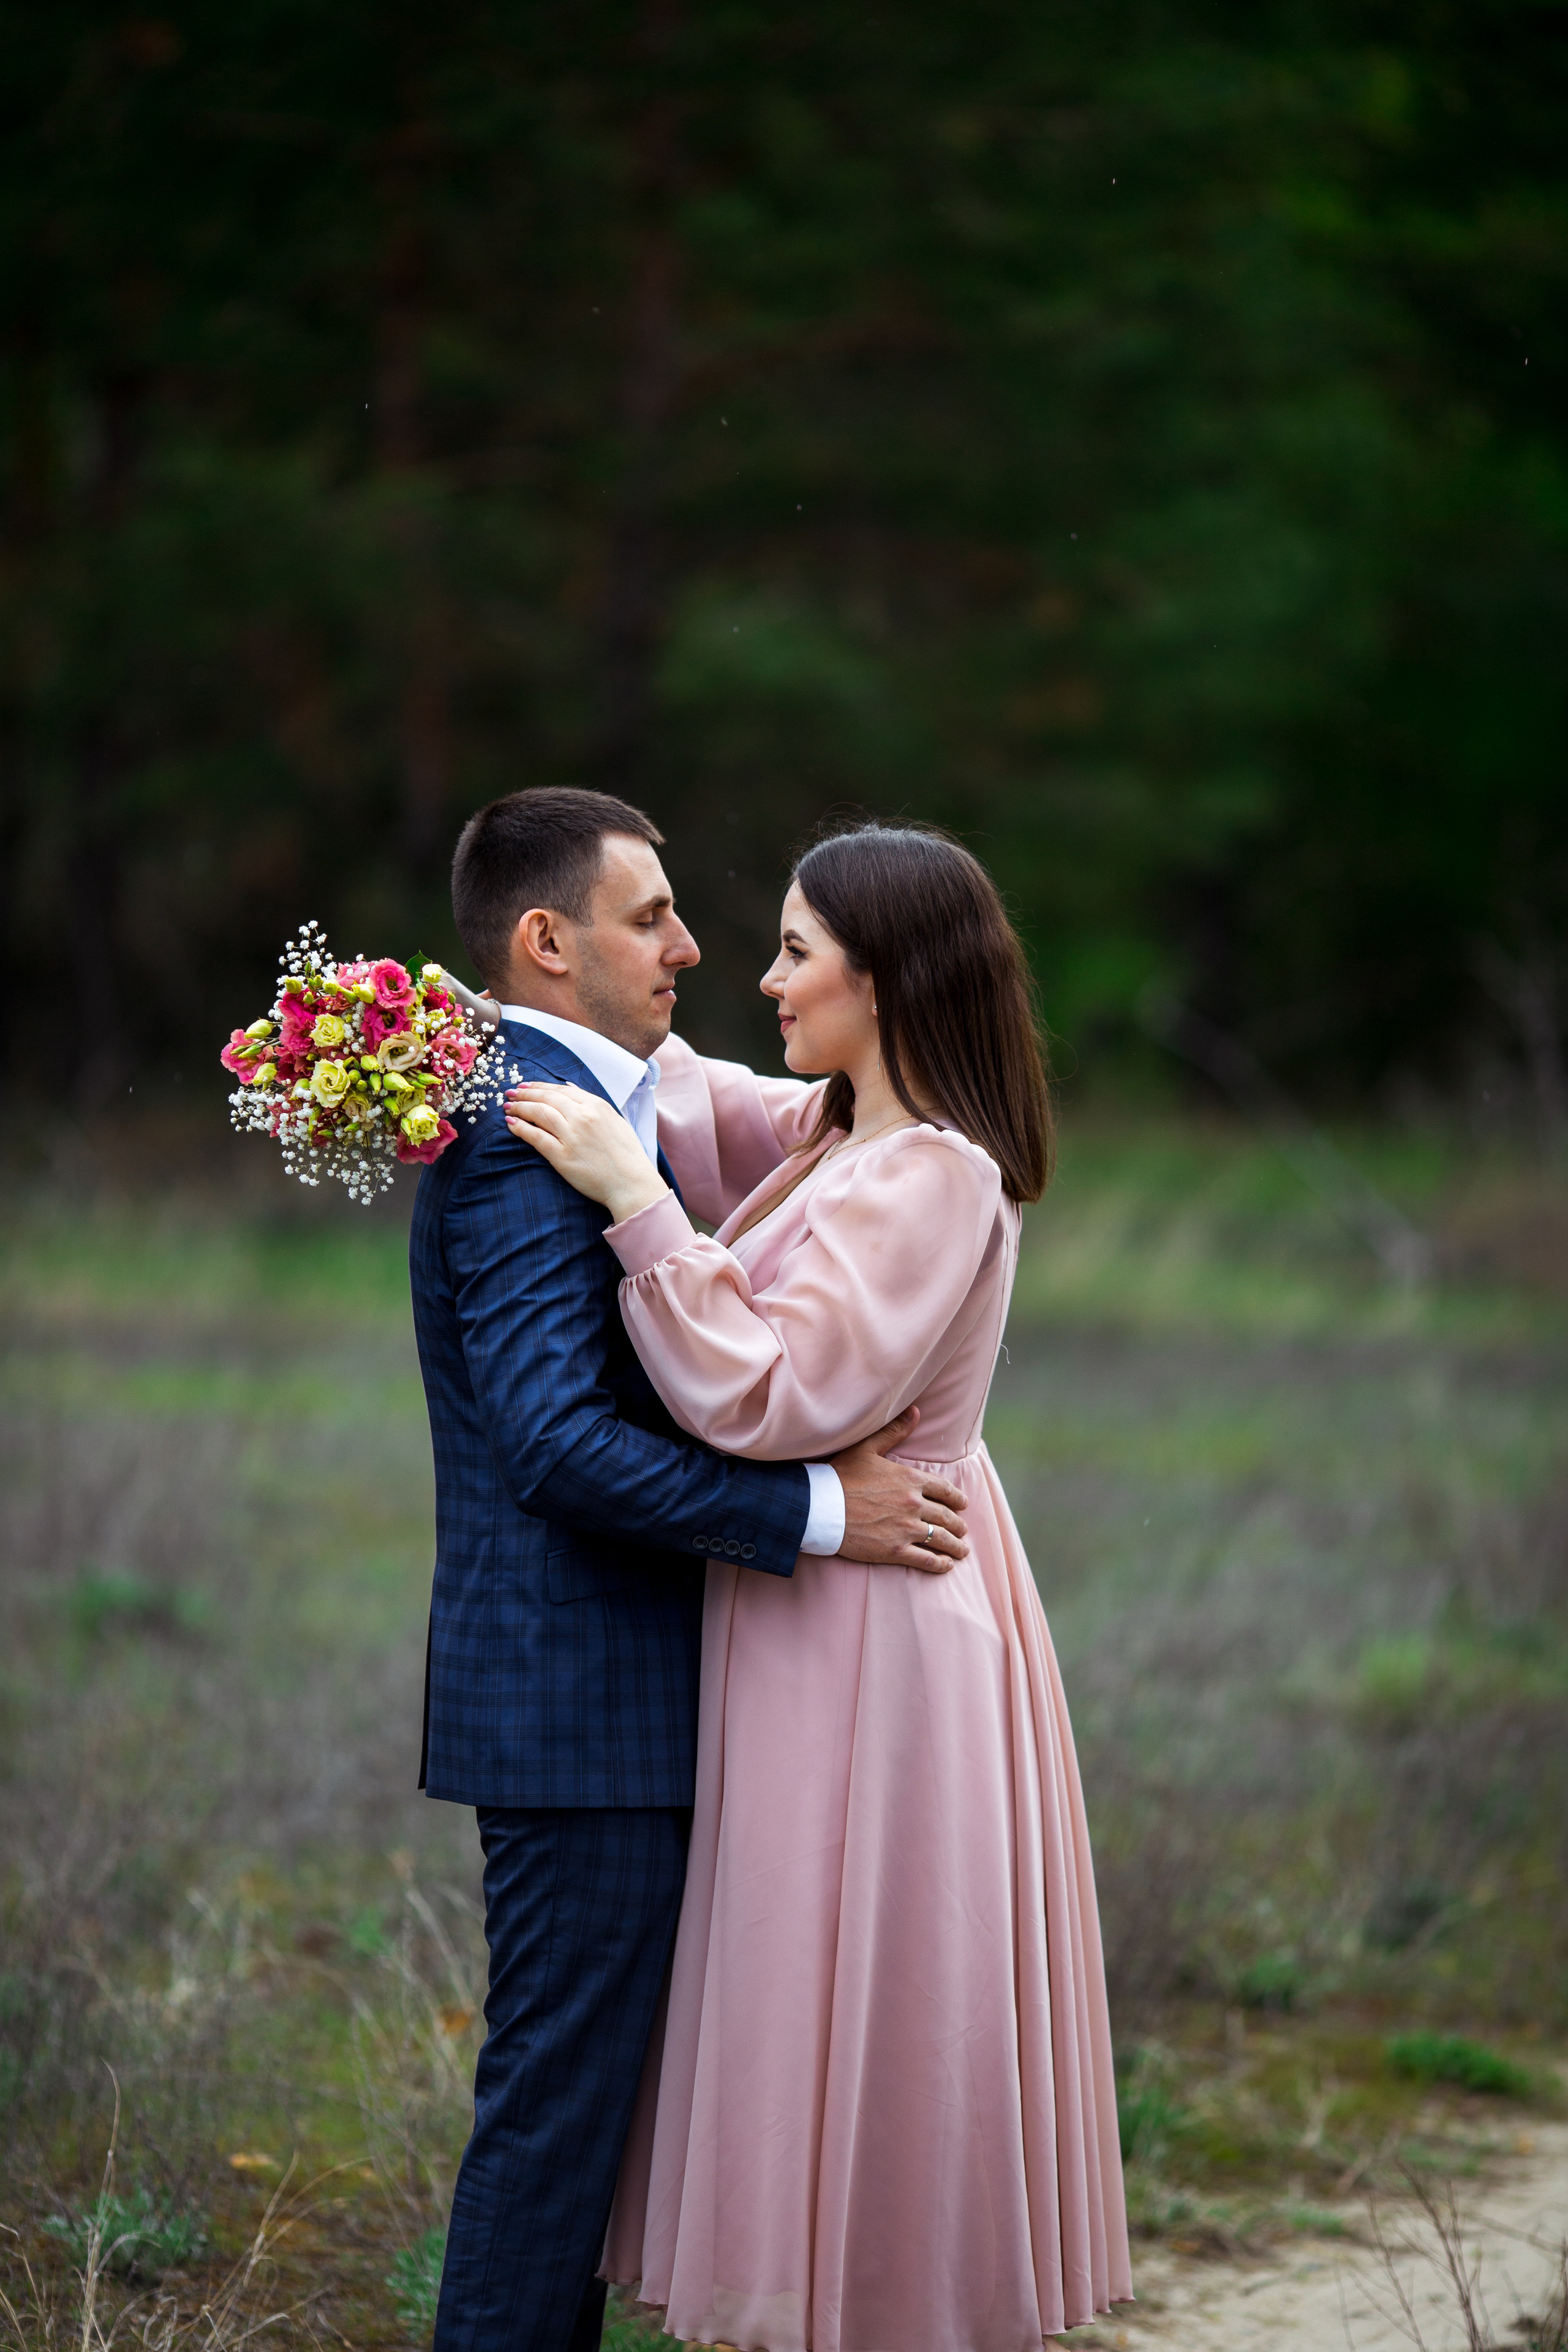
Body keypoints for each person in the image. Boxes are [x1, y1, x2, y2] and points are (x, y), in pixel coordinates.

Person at [505, 822, 1133, 2352]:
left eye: (795, 950)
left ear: (890, 977)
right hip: (816, 1608)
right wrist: (464, 1028)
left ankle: (879, 2302)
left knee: (871, 1974)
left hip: (878, 1625)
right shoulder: (835, 1133)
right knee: (806, 1976)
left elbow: (777, 1400)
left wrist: (629, 1202)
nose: (759, 976)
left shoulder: (930, 1175)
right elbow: (693, 1095)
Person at [410, 788, 972, 2352]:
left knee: (581, 2138)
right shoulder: (530, 1134)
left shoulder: (597, 1096)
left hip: (635, 1700)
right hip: (584, 1712)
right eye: (649, 913)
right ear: (547, 941)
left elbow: (759, 1115)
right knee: (554, 2137)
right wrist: (813, 1516)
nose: (693, 944)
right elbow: (552, 1444)